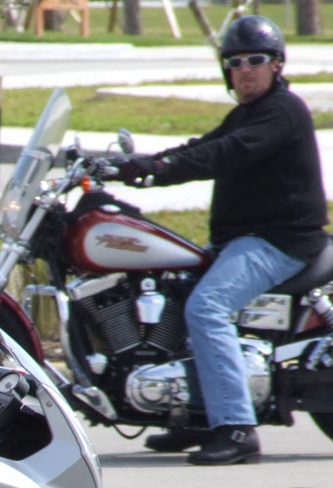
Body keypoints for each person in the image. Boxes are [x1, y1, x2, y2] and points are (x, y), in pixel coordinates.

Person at [117, 15, 328, 465]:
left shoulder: (282, 110)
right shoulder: (246, 113)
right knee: (175, 292)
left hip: (279, 241)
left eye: (256, 59)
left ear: (276, 64)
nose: (245, 69)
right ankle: (193, 415)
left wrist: (159, 170)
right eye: (235, 62)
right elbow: (203, 145)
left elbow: (226, 152)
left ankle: (236, 428)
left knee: (206, 307)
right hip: (244, 239)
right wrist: (141, 165)